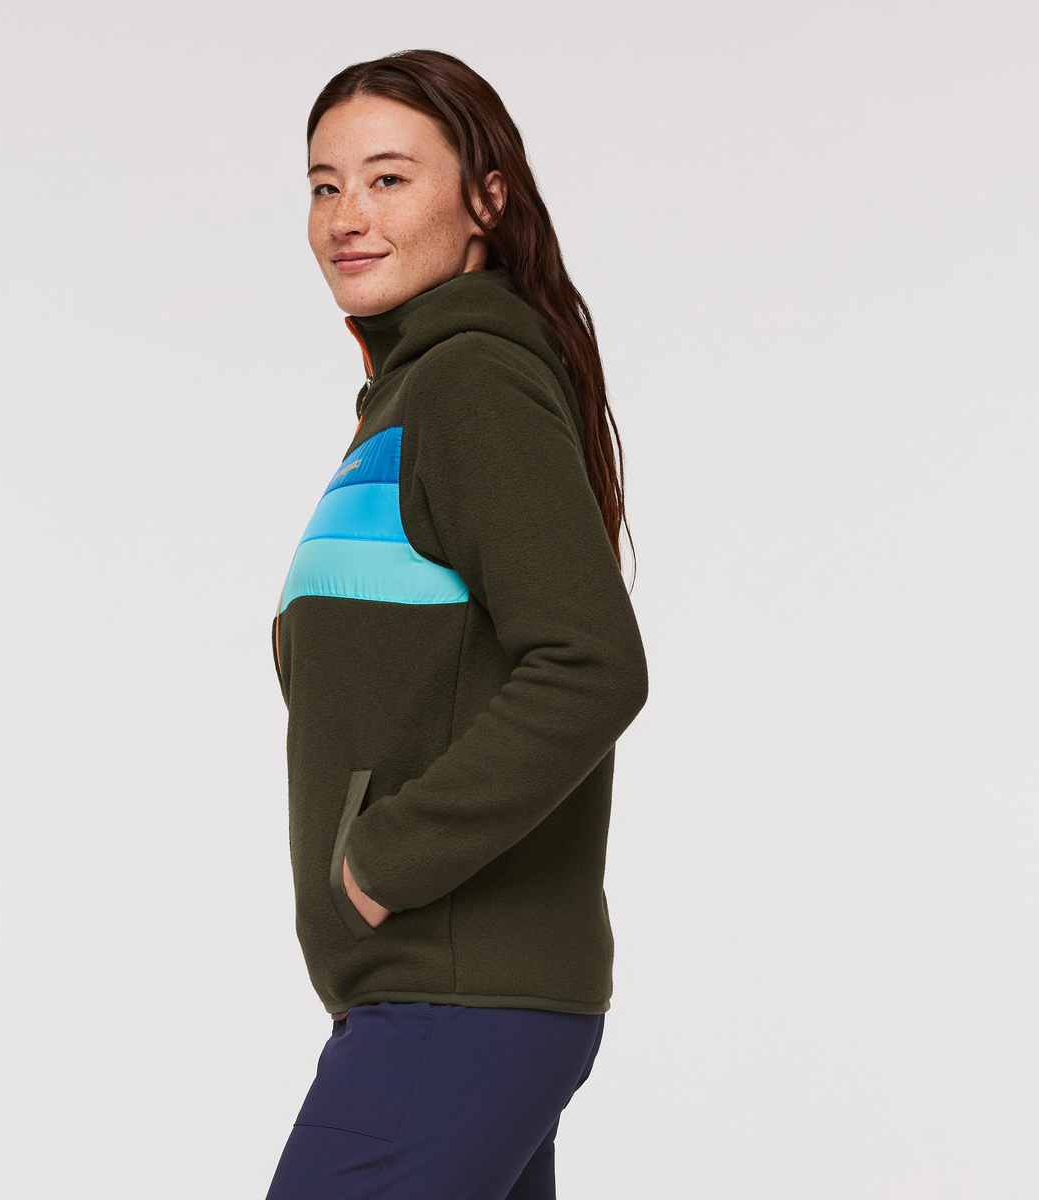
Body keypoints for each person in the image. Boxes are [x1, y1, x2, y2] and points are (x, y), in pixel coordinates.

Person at [266, 50, 647, 1200]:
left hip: (457, 991)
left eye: (388, 179)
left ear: (485, 200)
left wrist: (385, 858)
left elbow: (590, 662)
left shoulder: (468, 382)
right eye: (325, 185)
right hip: (446, 997)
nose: (347, 215)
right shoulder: (404, 403)